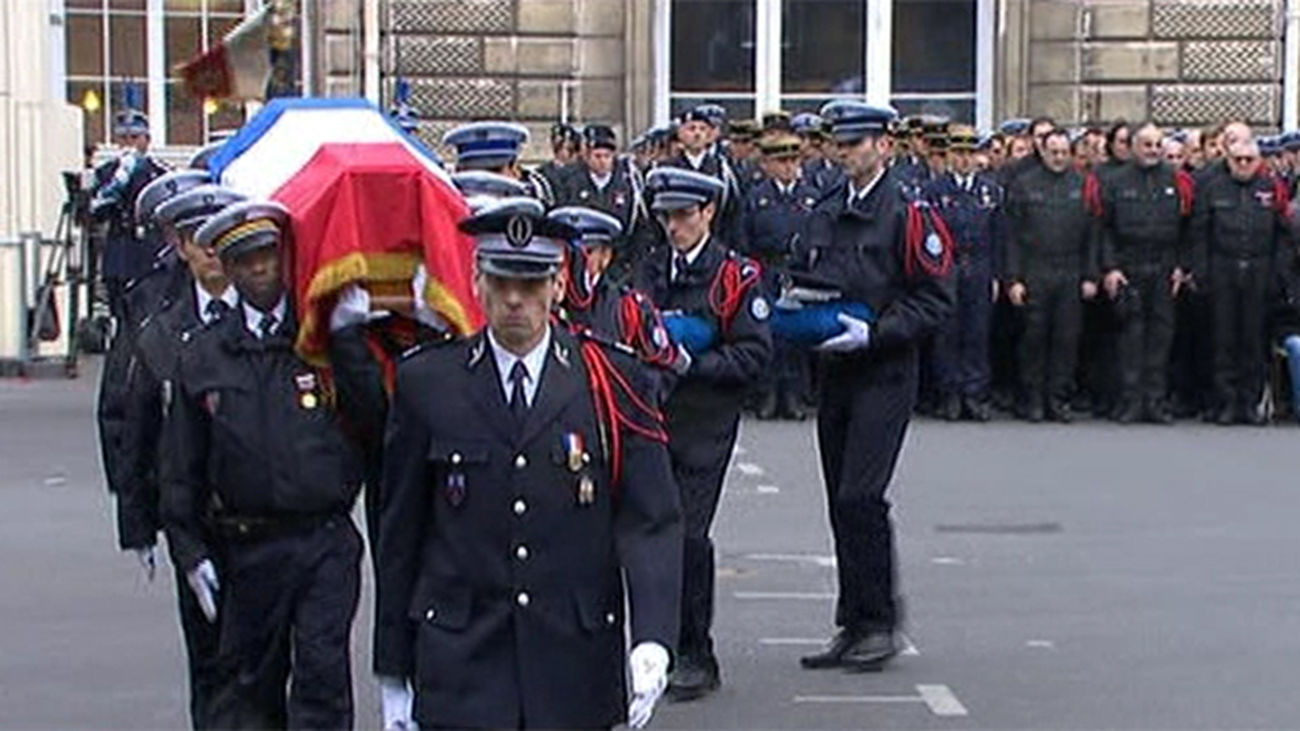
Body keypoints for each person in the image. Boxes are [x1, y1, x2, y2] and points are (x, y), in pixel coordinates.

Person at [372, 197, 682, 730]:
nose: (515, 300)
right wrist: (393, 669)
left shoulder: (609, 379)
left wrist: (653, 637)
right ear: (477, 283)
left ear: (558, 286)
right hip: (462, 654)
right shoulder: (429, 382)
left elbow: (651, 518)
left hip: (573, 657)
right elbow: (401, 531)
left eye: (532, 284)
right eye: (501, 283)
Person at [161, 200, 364, 728]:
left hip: (322, 538)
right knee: (251, 684)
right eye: (244, 260)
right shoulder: (205, 355)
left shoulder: (317, 339)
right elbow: (182, 463)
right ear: (226, 269)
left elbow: (373, 417)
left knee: (322, 675)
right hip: (247, 544)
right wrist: (188, 549)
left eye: (268, 256)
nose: (258, 270)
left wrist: (350, 342)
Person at [793, 99, 953, 672]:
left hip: (884, 368)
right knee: (841, 501)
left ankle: (880, 620)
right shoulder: (829, 207)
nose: (845, 152)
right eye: (840, 142)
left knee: (862, 495)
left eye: (856, 143)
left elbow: (935, 298)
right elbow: (809, 274)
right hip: (834, 366)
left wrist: (877, 332)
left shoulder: (907, 213)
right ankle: (853, 621)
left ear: (885, 146)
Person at [97, 170, 243, 729]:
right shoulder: (156, 316)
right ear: (179, 245)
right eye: (197, 236)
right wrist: (138, 521)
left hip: (260, 511)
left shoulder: (264, 307)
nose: (211, 248)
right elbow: (128, 414)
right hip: (193, 512)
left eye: (219, 233)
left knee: (260, 664)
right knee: (208, 658)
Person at [636, 167, 772, 701]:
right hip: (651, 416)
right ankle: (657, 646)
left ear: (709, 213)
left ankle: (697, 652)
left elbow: (755, 353)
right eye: (667, 216)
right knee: (649, 535)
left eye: (684, 215)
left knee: (688, 536)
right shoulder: (649, 269)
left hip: (704, 421)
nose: (675, 226)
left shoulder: (734, 277)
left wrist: (694, 362)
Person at [1190, 138, 1293, 425]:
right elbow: (1199, 234)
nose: (1244, 165)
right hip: (1223, 269)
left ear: (1258, 161)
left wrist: (1278, 273)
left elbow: (1282, 236)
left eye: (1250, 160)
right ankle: (1224, 402)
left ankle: (1249, 403)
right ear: (1229, 160)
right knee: (1223, 340)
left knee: (1253, 340)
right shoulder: (1212, 189)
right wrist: (1201, 271)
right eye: (1238, 160)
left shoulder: (1270, 189)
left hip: (1259, 271)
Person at [1097, 122, 1195, 424]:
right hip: (1129, 268)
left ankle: (1155, 402)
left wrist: (1181, 266)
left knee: (1160, 339)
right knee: (1130, 338)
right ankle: (1129, 402)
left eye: (1157, 145)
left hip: (1164, 269)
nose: (1153, 151)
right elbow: (1103, 230)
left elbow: (1187, 229)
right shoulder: (1114, 181)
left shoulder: (1176, 180)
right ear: (1134, 147)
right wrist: (1110, 268)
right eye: (1146, 145)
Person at [1005, 128, 1101, 422]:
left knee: (1066, 339)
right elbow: (1013, 236)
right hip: (1035, 269)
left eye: (1064, 152)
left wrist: (1090, 276)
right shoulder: (1023, 185)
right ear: (1043, 152)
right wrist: (1014, 278)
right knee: (1033, 338)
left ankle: (1058, 399)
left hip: (1070, 270)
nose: (1059, 158)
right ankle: (1032, 399)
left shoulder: (1082, 184)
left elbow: (1092, 235)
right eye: (1053, 152)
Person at [923, 125, 1005, 421]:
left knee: (977, 333)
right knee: (947, 333)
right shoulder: (934, 191)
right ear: (948, 156)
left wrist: (998, 275)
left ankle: (974, 394)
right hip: (948, 267)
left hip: (980, 266)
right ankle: (949, 395)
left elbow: (1000, 236)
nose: (964, 160)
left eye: (970, 153)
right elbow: (927, 236)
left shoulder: (990, 191)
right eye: (958, 153)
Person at [742, 133, 820, 420]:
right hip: (767, 269)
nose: (788, 167)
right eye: (781, 161)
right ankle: (768, 394)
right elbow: (744, 237)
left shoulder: (811, 196)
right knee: (768, 333)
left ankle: (795, 395)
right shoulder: (756, 196)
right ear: (768, 165)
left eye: (793, 161)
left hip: (799, 272)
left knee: (797, 335)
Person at [90, 108, 170, 319]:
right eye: (124, 138)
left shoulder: (159, 173)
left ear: (147, 140)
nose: (129, 144)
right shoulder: (107, 172)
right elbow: (96, 213)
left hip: (148, 251)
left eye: (135, 138)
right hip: (119, 251)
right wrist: (116, 183)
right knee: (120, 314)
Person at [559, 124, 654, 283]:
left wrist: (634, 270)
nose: (603, 161)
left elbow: (639, 229)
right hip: (581, 264)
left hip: (619, 266)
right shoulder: (570, 181)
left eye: (607, 156)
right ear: (587, 155)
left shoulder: (629, 183)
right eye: (597, 156)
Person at [665, 106, 743, 242]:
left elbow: (732, 212)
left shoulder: (722, 169)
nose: (697, 134)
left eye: (702, 129)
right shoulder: (667, 170)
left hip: (714, 241)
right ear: (680, 134)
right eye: (691, 128)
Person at [442, 121, 556, 206]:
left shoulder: (536, 194)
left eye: (495, 170)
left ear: (515, 171)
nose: (484, 181)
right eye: (474, 171)